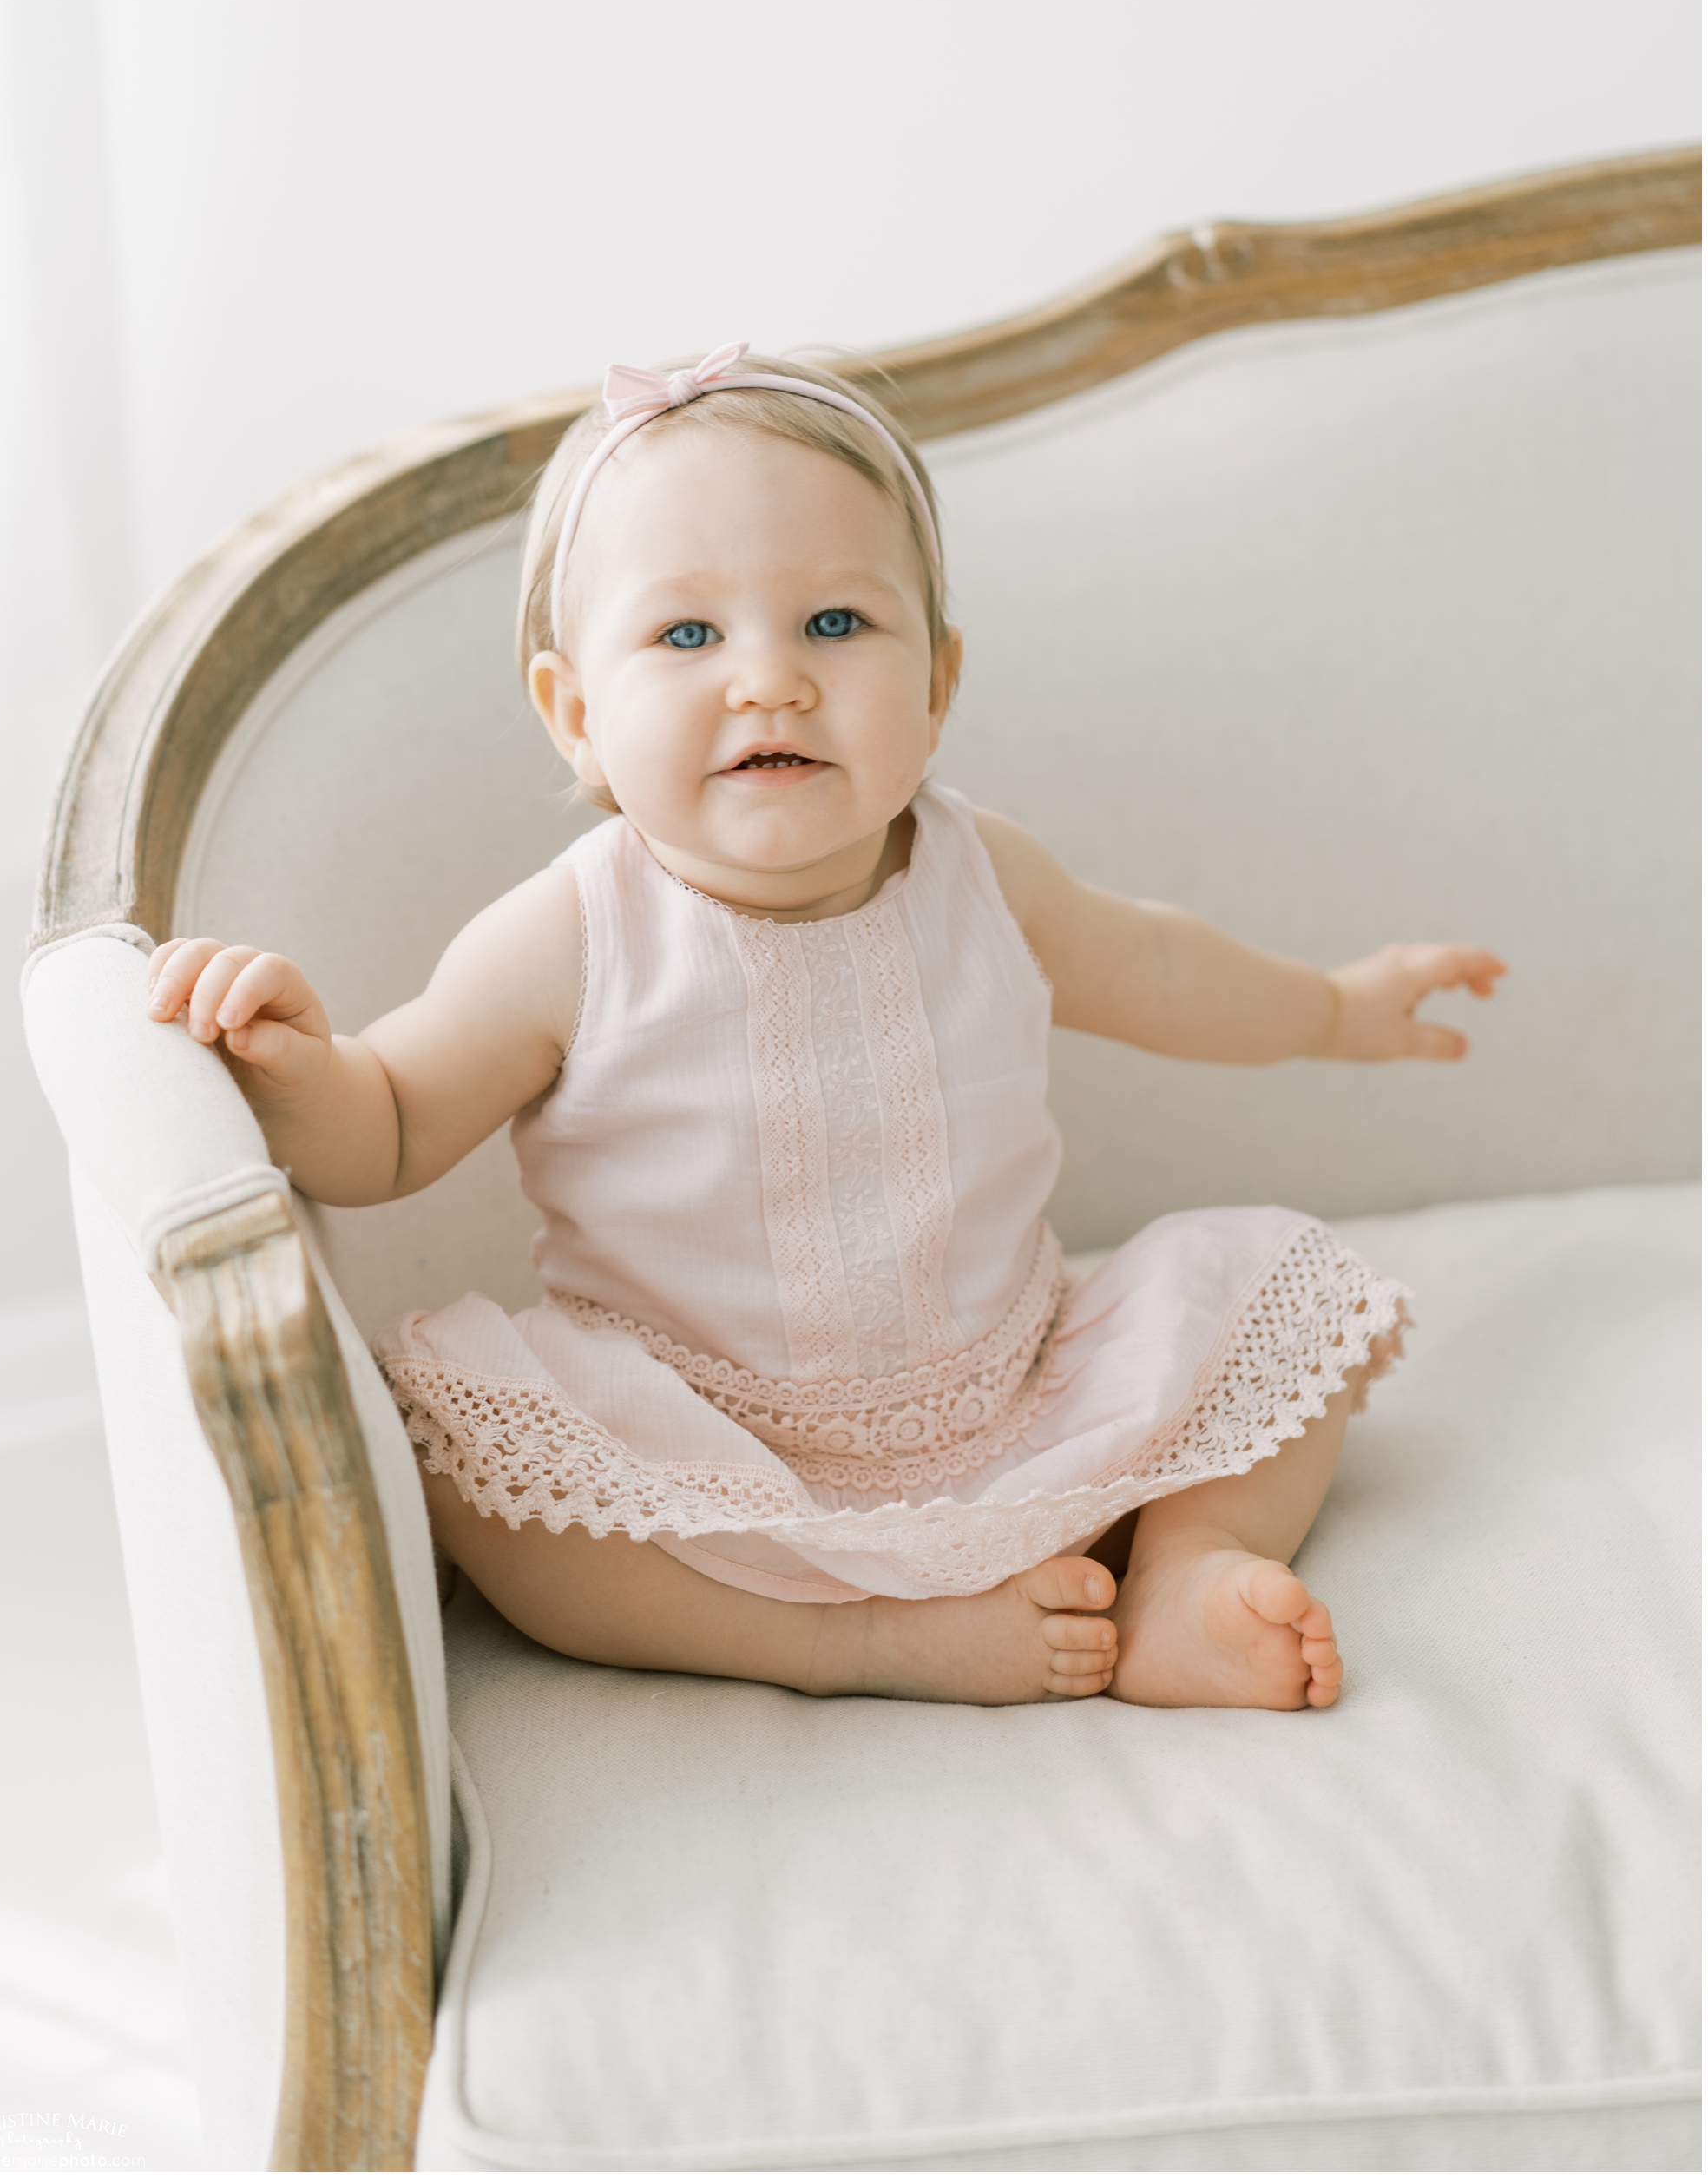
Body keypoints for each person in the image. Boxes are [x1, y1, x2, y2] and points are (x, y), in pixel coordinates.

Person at [146, 345, 1505, 1711]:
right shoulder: (572, 934)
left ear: (938, 684)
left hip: (1022, 1389)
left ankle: (1182, 1574)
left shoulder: (984, 872)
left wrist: (1336, 1005)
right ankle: (844, 1643)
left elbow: (1152, 964)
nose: (771, 683)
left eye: (837, 625)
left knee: (1281, 1292)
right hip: (707, 1451)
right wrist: (296, 1068)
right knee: (461, 1455)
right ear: (576, 719)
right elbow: (386, 1126)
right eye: (688, 636)